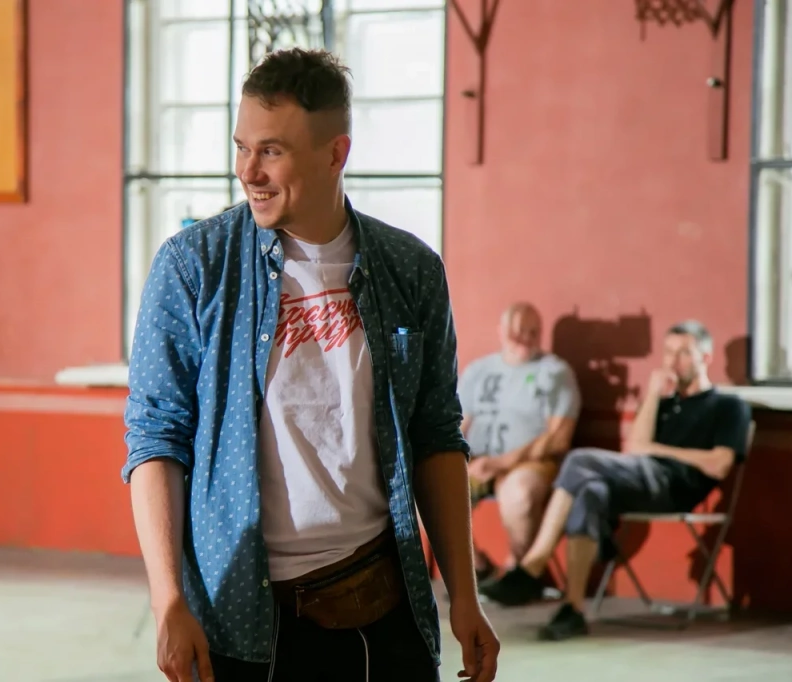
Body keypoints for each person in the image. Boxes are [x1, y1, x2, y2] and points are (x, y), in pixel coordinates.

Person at [122, 48, 499, 682]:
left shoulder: (410, 269)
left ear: (335, 154)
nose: (248, 171)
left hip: (382, 607)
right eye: (242, 147)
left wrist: (465, 594)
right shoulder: (194, 266)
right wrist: (168, 601)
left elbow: (436, 434)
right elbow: (156, 437)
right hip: (241, 618)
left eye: (271, 151)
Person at [480, 320, 752, 641]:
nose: (673, 361)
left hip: (674, 487)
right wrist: (653, 395)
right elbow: (634, 449)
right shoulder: (663, 404)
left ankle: (533, 565)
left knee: (579, 460)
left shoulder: (728, 406)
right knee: (589, 492)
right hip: (638, 480)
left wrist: (657, 450)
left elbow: (720, 465)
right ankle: (573, 609)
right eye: (668, 353)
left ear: (705, 358)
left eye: (683, 353)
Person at [457, 303, 580, 583]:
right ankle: (477, 569)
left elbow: (559, 438)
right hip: (478, 460)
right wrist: (457, 461)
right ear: (500, 331)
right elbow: (456, 427)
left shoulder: (555, 372)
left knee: (518, 494)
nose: (525, 337)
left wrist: (502, 463)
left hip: (531, 463)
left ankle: (521, 574)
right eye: (518, 330)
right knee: (425, 491)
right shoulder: (478, 371)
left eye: (533, 331)